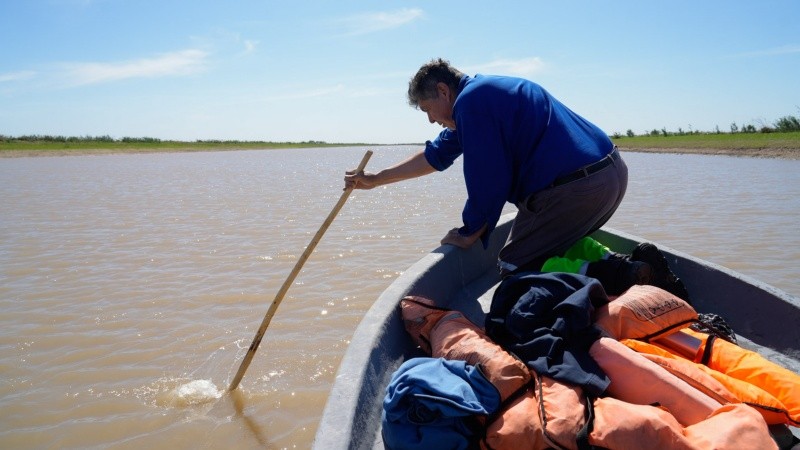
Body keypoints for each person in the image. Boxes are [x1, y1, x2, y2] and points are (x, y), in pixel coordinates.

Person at [344, 58, 629, 279]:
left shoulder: (471, 104)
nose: (430, 120)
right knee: (553, 242)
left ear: (443, 91)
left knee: (514, 268)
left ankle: (615, 274)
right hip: (611, 175)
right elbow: (436, 155)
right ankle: (621, 262)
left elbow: (488, 178)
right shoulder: (484, 97)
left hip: (576, 189)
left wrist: (471, 230)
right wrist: (375, 179)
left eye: (427, 109)